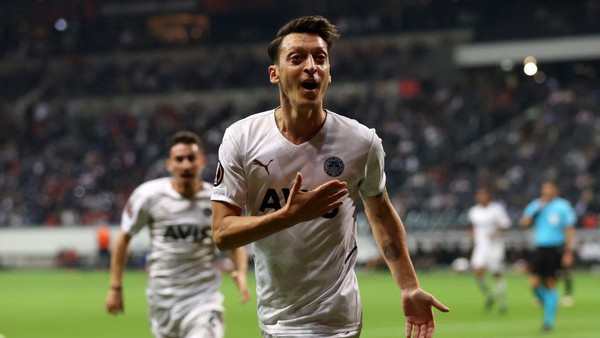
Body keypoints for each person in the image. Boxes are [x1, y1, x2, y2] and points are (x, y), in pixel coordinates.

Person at [210, 15, 449, 338]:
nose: (311, 66)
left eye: (320, 58)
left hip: (337, 319)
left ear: (329, 74)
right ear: (274, 74)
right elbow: (223, 233)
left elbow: (379, 212)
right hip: (274, 316)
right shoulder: (242, 138)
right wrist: (290, 215)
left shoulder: (362, 142)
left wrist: (408, 286)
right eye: (297, 58)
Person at [105, 131, 250, 338]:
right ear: (169, 164)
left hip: (203, 301)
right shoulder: (148, 196)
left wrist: (241, 273)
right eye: (179, 159)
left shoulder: (216, 200)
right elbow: (123, 239)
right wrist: (115, 287)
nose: (186, 165)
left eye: (191, 158)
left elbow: (234, 241)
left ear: (202, 162)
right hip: (162, 301)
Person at [519, 181, 576, 332]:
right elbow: (524, 223)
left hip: (556, 248)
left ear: (555, 190)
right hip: (540, 247)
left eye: (549, 189)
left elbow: (569, 229)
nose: (546, 192)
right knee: (533, 284)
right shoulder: (537, 204)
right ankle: (550, 302)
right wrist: (537, 210)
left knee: (551, 282)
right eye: (544, 189)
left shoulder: (563, 206)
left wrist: (569, 252)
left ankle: (548, 322)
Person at [467, 187, 512, 313]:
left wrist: (497, 231)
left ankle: (502, 302)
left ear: (488, 197)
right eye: (478, 196)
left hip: (495, 246)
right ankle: (489, 296)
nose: (480, 198)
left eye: (483, 195)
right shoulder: (474, 211)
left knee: (497, 273)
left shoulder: (496, 210)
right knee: (478, 273)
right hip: (480, 247)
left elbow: (507, 225)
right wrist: (472, 238)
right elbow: (471, 226)